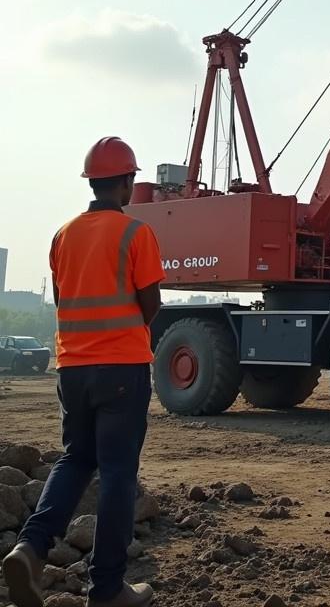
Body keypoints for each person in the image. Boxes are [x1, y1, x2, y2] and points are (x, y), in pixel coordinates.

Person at [2, 137, 165, 607]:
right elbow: (149, 303)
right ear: (128, 183)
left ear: (92, 182)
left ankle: (30, 548)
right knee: (117, 472)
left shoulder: (62, 235)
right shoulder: (136, 234)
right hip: (122, 368)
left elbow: (63, 296)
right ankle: (108, 588)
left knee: (75, 459)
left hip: (72, 368)